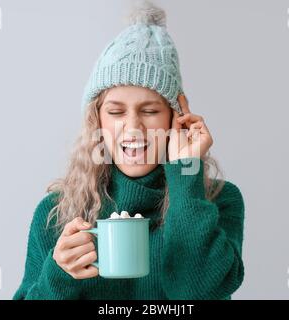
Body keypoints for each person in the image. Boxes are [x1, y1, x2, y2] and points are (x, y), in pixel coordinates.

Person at [13, 1, 245, 300]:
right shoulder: (56, 212)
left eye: (149, 111)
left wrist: (187, 172)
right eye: (116, 112)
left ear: (176, 120)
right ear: (97, 120)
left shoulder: (218, 201)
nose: (133, 127)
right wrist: (58, 275)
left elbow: (198, 291)